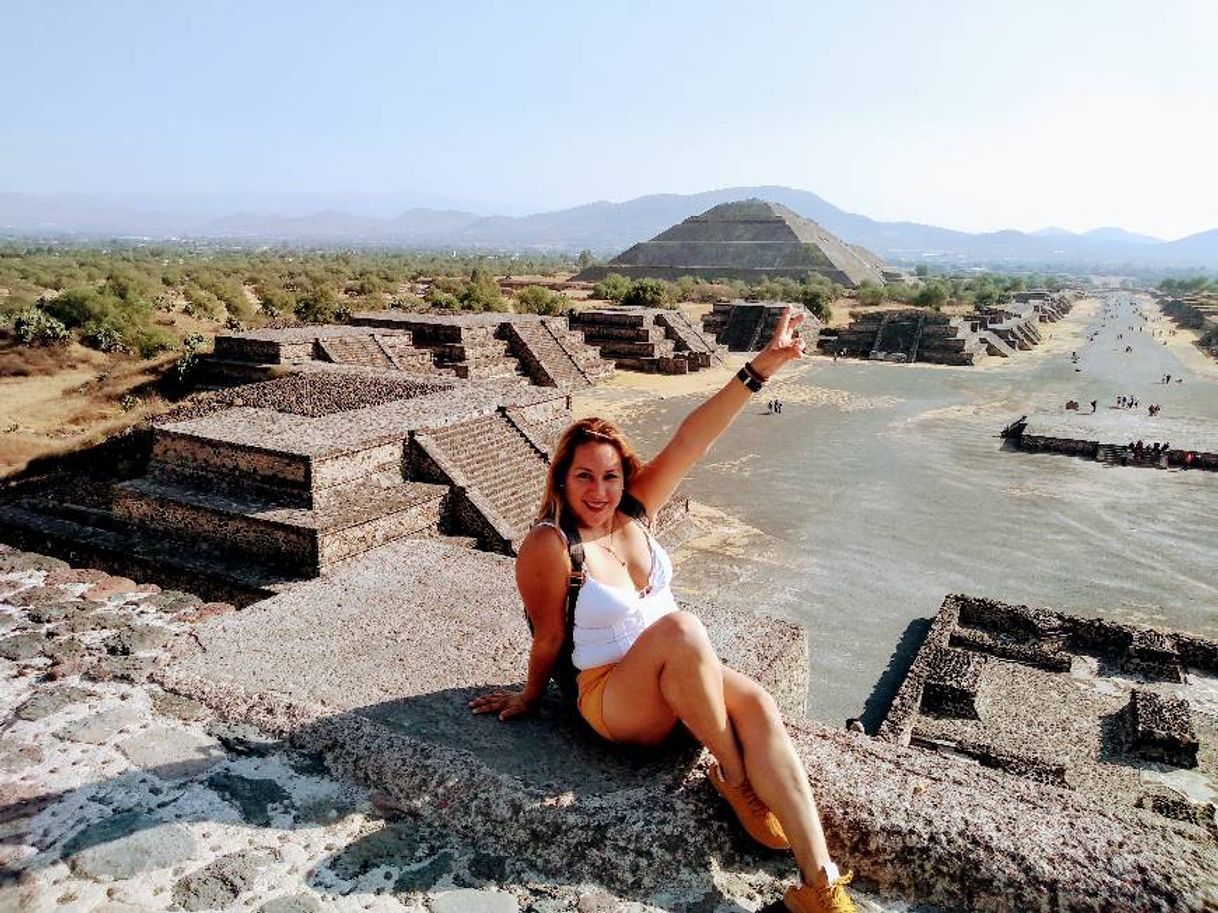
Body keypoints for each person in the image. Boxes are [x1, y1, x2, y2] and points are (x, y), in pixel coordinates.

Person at [470, 308, 856, 913]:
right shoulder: (549, 546)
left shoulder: (635, 510)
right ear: (562, 481)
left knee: (758, 701)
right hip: (611, 699)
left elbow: (692, 437)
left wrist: (762, 369)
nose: (599, 492)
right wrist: (528, 696)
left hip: (679, 678)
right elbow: (547, 637)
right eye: (584, 478)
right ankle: (733, 778)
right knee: (682, 627)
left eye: (611, 476)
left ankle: (821, 885)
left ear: (625, 477)